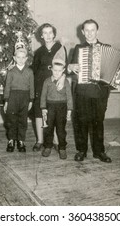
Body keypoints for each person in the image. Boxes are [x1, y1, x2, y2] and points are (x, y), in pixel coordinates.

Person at [68, 19, 112, 163]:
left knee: (98, 122)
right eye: (86, 30)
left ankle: (99, 151)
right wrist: (72, 68)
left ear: (97, 31)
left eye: (92, 30)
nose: (89, 33)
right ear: (82, 32)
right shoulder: (78, 48)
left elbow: (113, 72)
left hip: (100, 93)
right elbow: (73, 72)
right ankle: (82, 150)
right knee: (82, 122)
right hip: (83, 92)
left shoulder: (106, 48)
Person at [32, 23, 67, 152]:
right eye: (45, 33)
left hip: (55, 85)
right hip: (40, 85)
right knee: (39, 112)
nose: (48, 35)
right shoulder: (39, 52)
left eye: (50, 32)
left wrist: (62, 78)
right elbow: (34, 70)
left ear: (54, 34)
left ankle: (56, 141)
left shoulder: (60, 48)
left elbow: (65, 67)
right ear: (41, 35)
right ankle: (39, 141)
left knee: (55, 113)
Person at [40, 51, 73, 159]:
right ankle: (48, 146)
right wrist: (43, 108)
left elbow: (69, 96)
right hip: (50, 107)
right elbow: (43, 95)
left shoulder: (66, 82)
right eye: (55, 70)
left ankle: (62, 148)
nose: (57, 73)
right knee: (48, 128)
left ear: (63, 70)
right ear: (51, 69)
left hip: (62, 107)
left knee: (61, 129)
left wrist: (69, 110)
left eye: (59, 71)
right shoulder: (47, 81)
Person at [4, 46, 34, 152]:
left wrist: (31, 100)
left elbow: (31, 87)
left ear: (26, 59)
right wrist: (6, 101)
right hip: (13, 97)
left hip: (25, 98)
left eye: (23, 57)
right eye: (18, 57)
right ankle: (11, 140)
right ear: (15, 58)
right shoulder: (11, 72)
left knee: (23, 120)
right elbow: (7, 87)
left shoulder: (29, 72)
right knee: (12, 120)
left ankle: (21, 141)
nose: (21, 60)